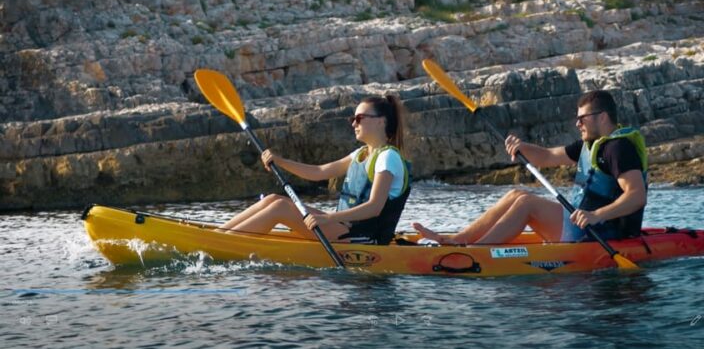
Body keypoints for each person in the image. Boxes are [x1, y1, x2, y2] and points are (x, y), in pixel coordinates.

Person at [413, 90, 647, 245]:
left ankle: (476, 251)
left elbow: (637, 196)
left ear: (603, 117)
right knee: (517, 194)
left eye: (582, 118)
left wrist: (595, 215)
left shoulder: (618, 148)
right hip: (580, 225)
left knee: (527, 204)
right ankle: (458, 240)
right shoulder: (590, 144)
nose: (577, 124)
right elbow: (546, 156)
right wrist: (523, 147)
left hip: (602, 232)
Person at [219, 95, 411, 245]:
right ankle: (216, 236)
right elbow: (319, 172)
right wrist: (279, 161)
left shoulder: (388, 157)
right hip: (344, 229)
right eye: (353, 118)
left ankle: (222, 244)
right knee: (272, 199)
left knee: (280, 208)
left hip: (363, 239)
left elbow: (374, 208)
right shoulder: (361, 154)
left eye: (359, 118)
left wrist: (327, 218)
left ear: (381, 121)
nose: (354, 123)